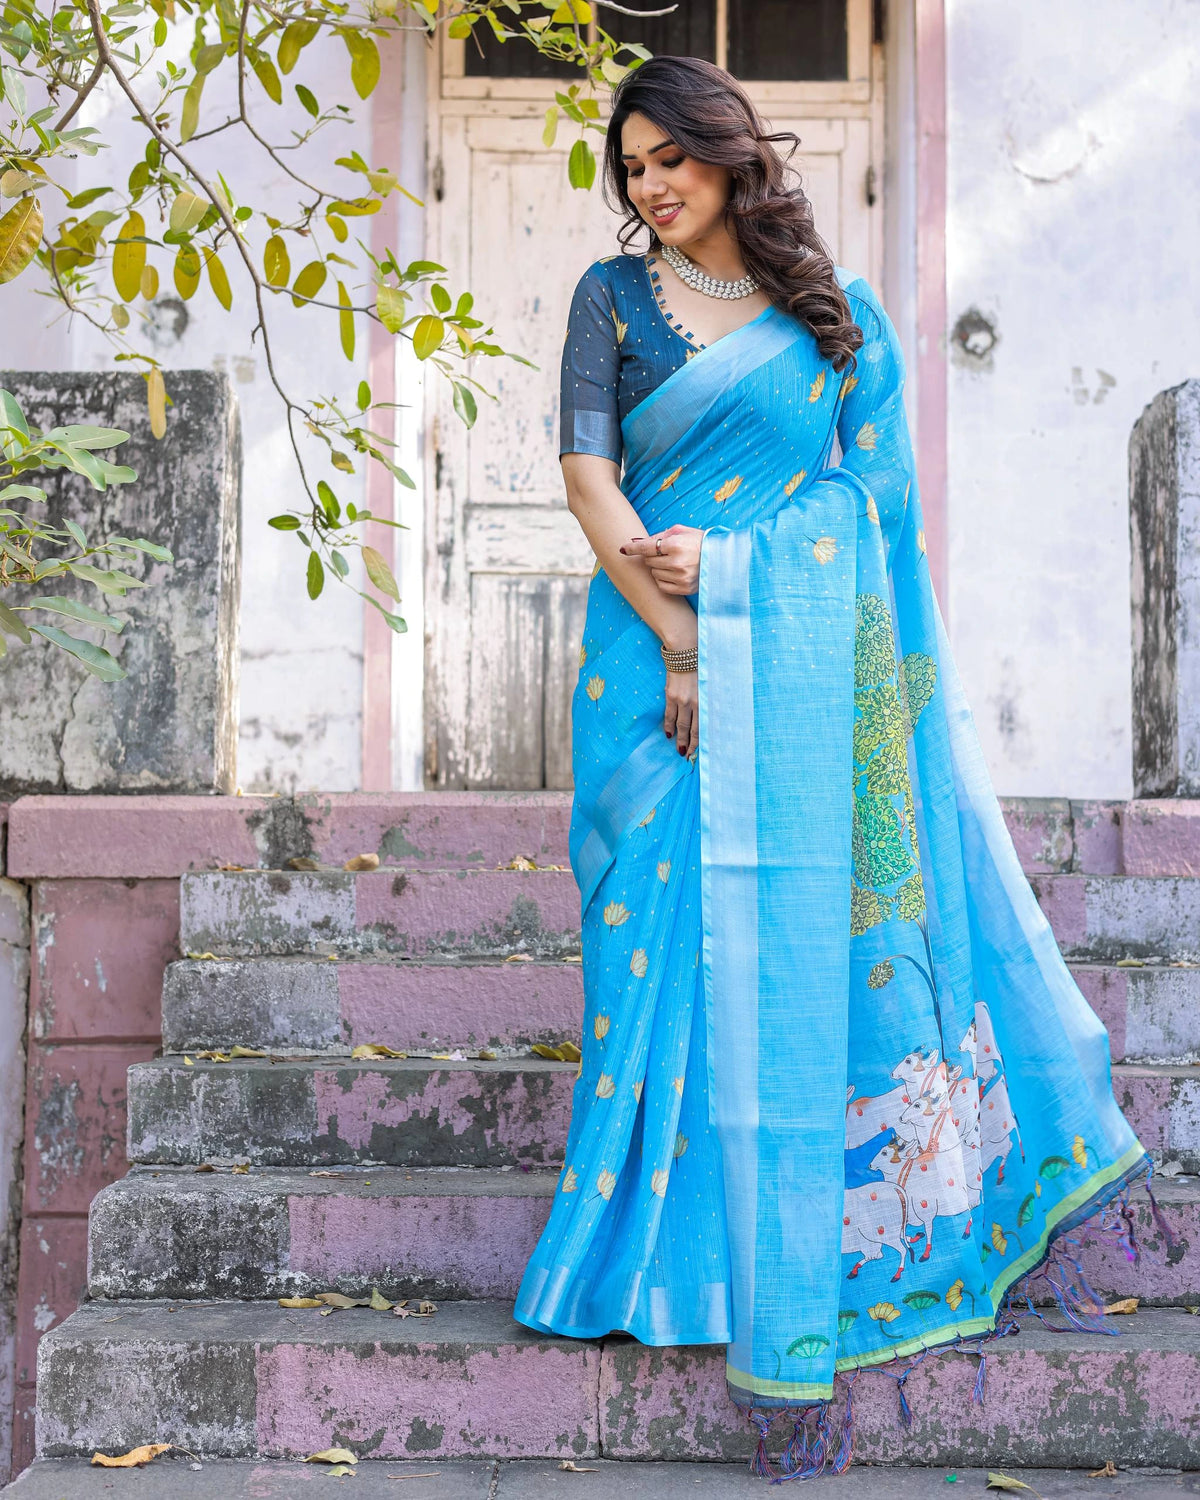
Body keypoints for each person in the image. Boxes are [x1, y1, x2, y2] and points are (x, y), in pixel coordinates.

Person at [513, 54, 1150, 1479]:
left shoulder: (838, 317)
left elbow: (874, 508)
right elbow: (587, 478)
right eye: (630, 167)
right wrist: (687, 637)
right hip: (646, 667)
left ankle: (780, 1266)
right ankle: (640, 1264)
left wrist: (742, 593)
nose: (648, 187)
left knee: (781, 956)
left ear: (732, 154)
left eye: (669, 157)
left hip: (795, 689)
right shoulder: (608, 303)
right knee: (648, 957)